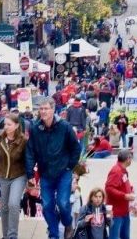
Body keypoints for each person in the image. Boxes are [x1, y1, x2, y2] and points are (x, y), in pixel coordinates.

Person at [25, 97, 81, 239]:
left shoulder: (65, 126)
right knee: (47, 206)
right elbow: (30, 151)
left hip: (63, 172)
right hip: (46, 173)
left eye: (46, 108)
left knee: (63, 203)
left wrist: (70, 166)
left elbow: (76, 147)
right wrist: (30, 173)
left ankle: (68, 224)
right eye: (41, 109)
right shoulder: (35, 128)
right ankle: (54, 234)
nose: (43, 111)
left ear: (53, 109)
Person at [0, 113, 28, 239]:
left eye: (9, 124)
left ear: (17, 125)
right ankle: (5, 236)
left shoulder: (23, 140)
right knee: (4, 206)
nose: (5, 127)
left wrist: (31, 177)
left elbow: (28, 159)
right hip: (1, 175)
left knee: (13, 204)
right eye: (5, 124)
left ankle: (12, 236)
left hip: (19, 175)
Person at [104, 150, 135, 239]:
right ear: (127, 159)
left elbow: (122, 184)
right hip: (116, 212)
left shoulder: (122, 170)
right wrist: (124, 196)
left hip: (123, 211)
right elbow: (109, 188)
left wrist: (131, 189)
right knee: (114, 236)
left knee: (124, 236)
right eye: (130, 158)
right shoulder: (116, 171)